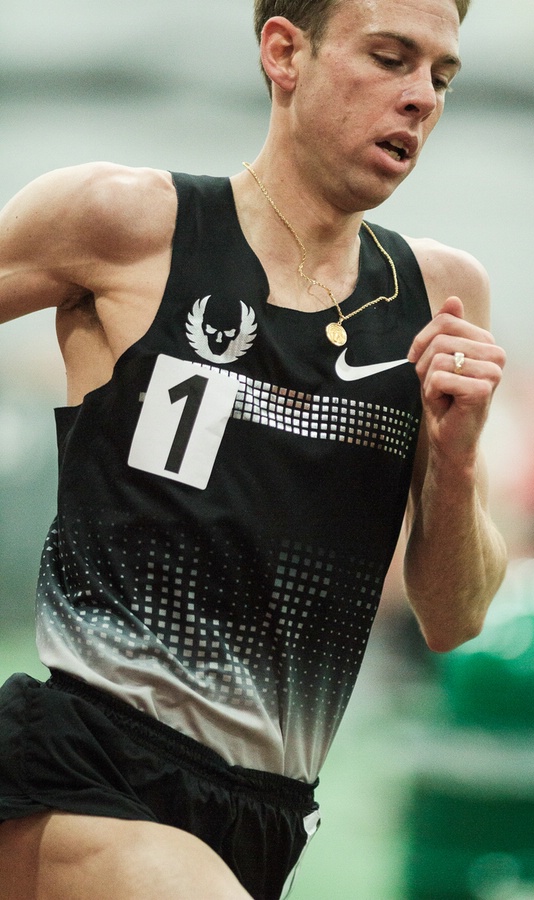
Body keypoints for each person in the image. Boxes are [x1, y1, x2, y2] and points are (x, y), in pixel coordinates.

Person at [0, 0, 507, 897]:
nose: (421, 96)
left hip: (266, 816)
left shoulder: (439, 297)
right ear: (284, 53)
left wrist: (458, 461)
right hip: (84, 771)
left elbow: (454, 617)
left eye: (441, 75)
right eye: (390, 58)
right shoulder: (126, 223)